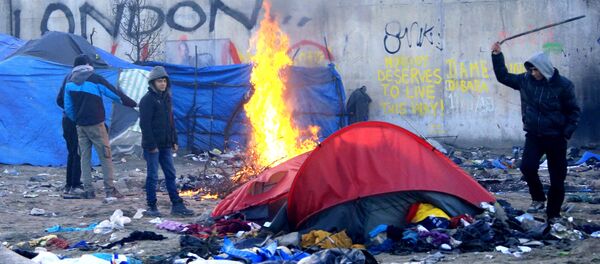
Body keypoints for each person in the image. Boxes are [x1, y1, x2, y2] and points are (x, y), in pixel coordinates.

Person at [491, 42, 580, 223]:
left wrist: (566, 133)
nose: (533, 74)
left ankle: (553, 215)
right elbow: (503, 76)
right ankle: (538, 198)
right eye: (531, 70)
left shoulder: (564, 86)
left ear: (544, 69)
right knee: (527, 167)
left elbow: (574, 111)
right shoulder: (525, 81)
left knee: (557, 180)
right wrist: (497, 56)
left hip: (556, 138)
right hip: (534, 136)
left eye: (535, 70)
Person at [63, 54, 137, 199]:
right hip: (97, 124)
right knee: (105, 156)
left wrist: (77, 119)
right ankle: (109, 189)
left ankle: (89, 190)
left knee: (84, 157)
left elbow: (68, 107)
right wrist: (133, 104)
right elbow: (115, 95)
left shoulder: (70, 82)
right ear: (88, 65)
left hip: (80, 126)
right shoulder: (96, 79)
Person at [139, 66, 194, 217]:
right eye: (159, 81)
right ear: (153, 83)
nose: (162, 84)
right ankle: (152, 206)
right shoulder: (147, 100)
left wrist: (174, 140)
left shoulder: (166, 99)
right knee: (152, 176)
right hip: (153, 146)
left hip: (166, 145)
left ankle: (176, 204)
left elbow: (170, 121)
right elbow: (144, 124)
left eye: (164, 81)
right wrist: (151, 145)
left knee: (170, 174)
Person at [56, 67, 82, 195]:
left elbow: (59, 100)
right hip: (75, 121)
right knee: (77, 152)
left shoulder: (67, 78)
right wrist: (75, 114)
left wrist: (67, 109)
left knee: (72, 152)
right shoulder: (78, 81)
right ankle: (75, 184)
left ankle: (69, 184)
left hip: (66, 121)